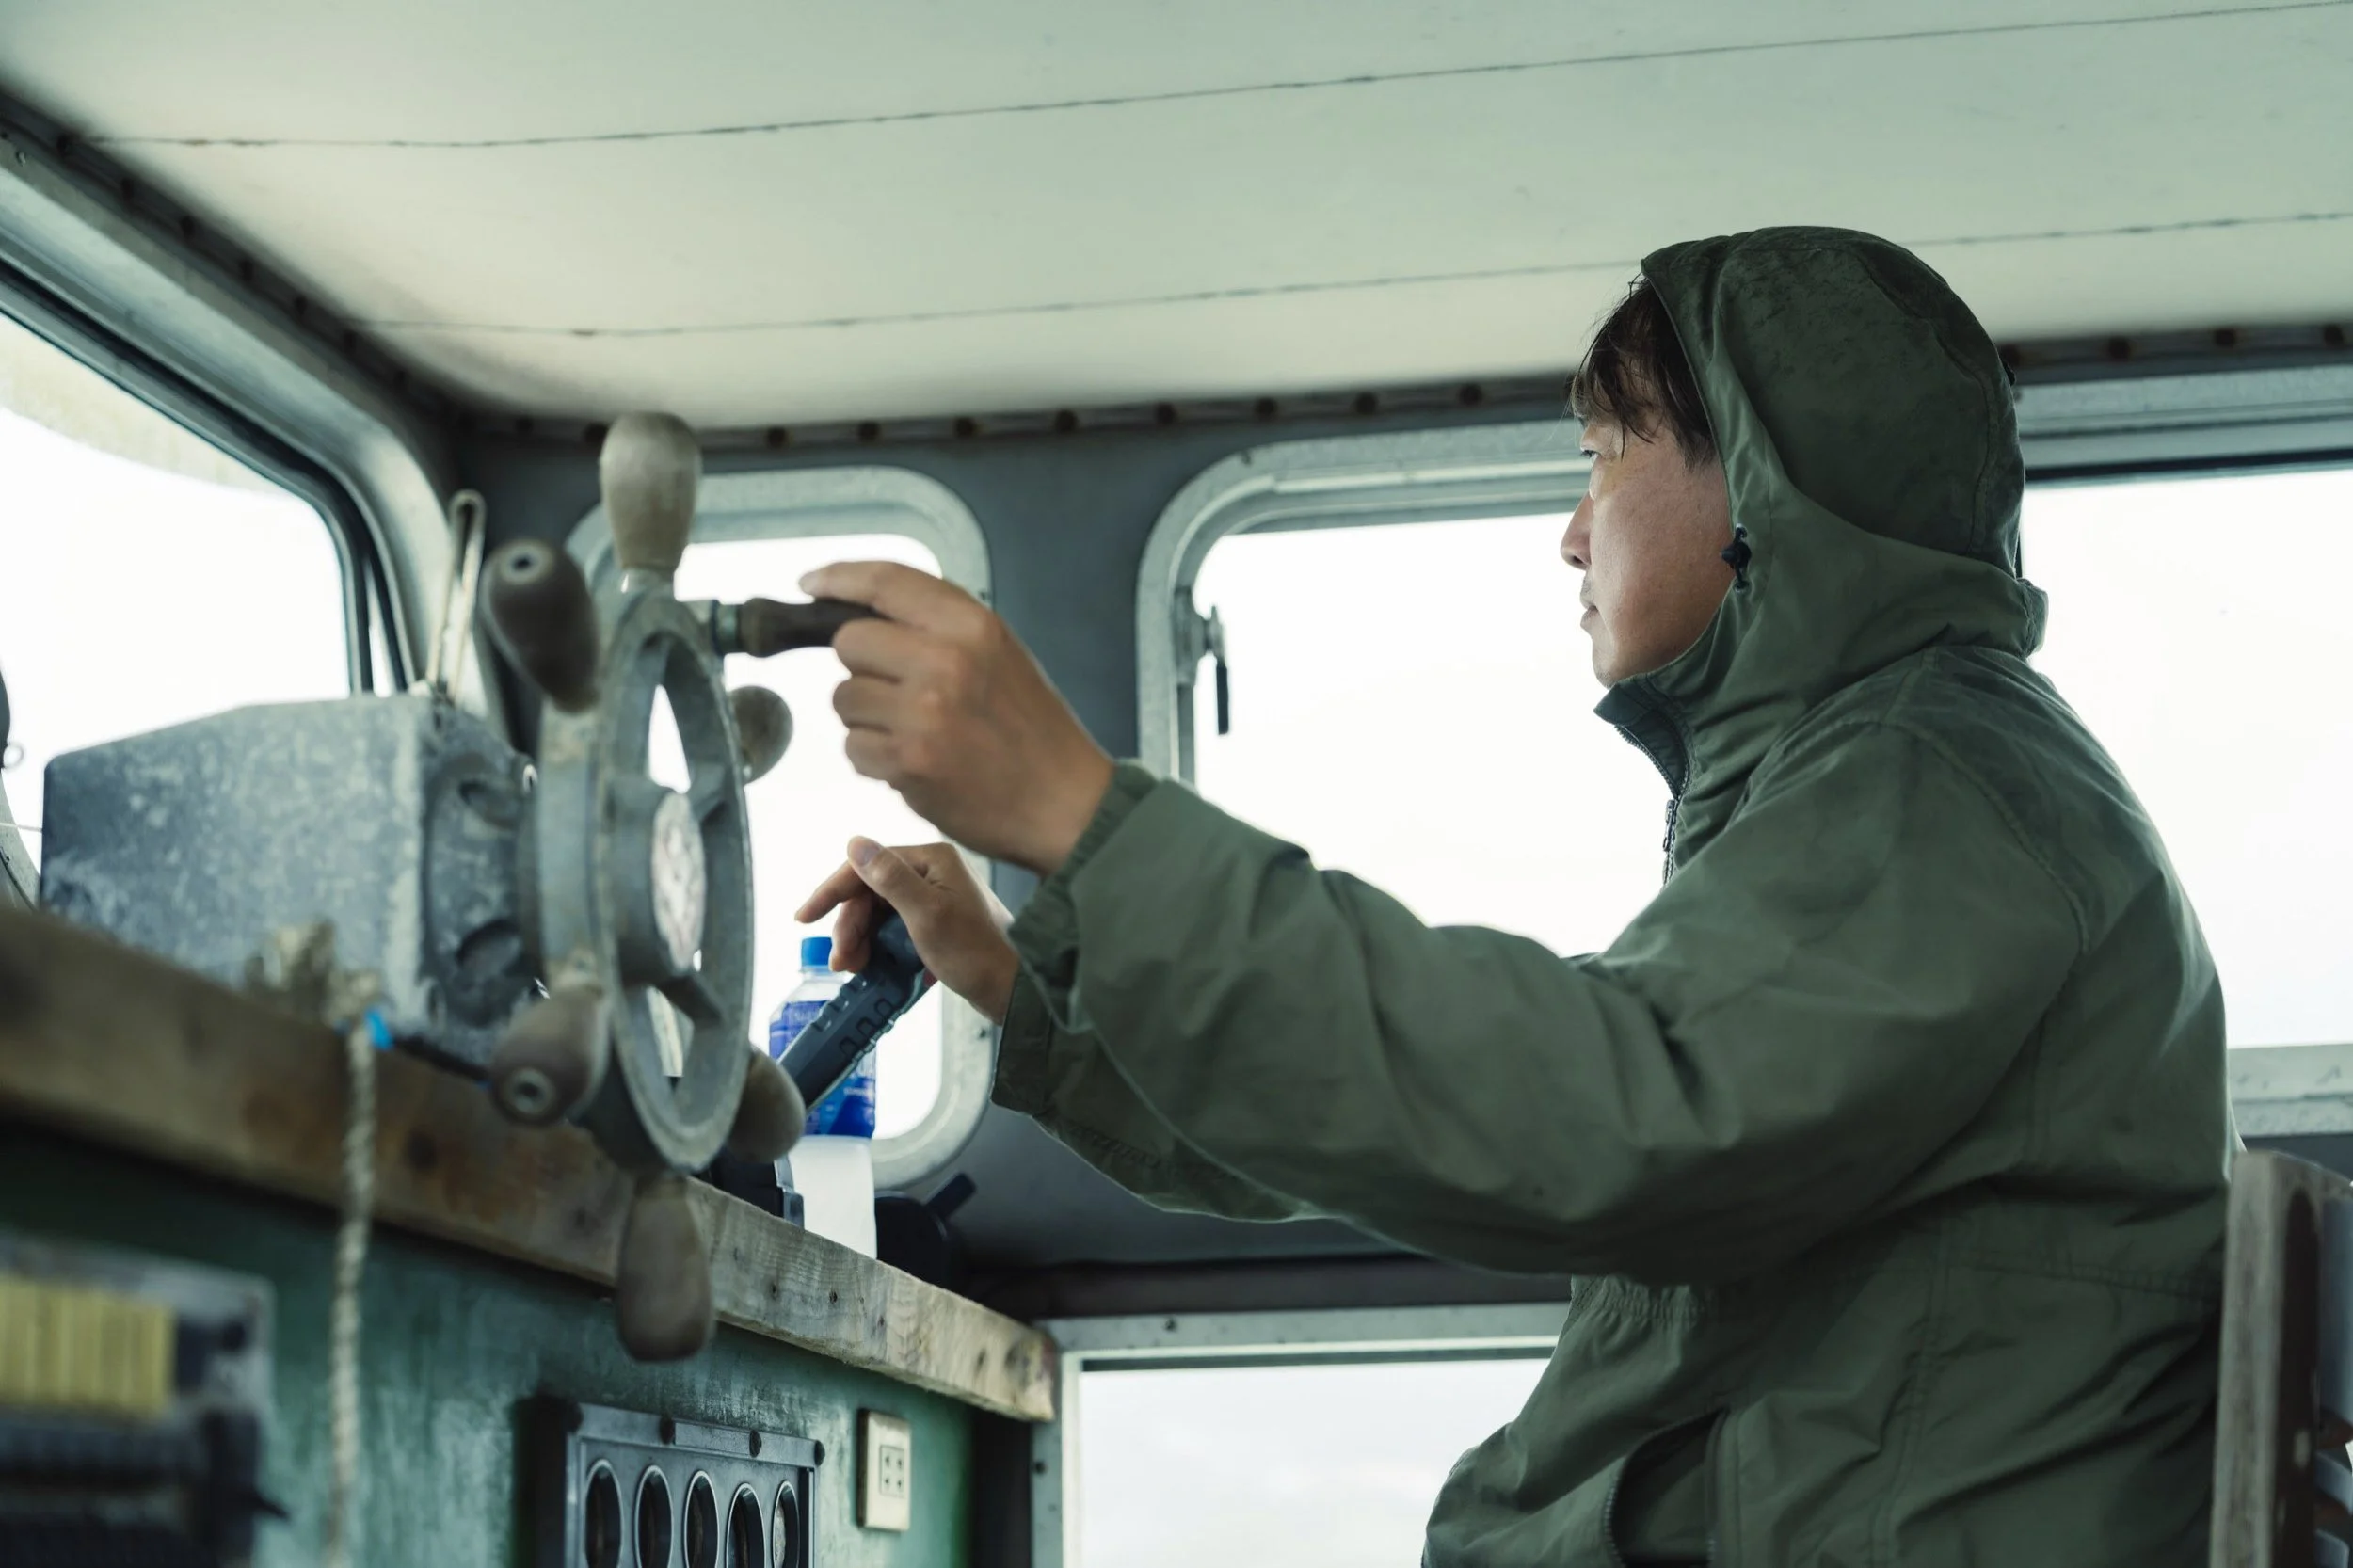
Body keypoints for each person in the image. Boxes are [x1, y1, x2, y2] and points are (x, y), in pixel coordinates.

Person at [794, 227, 2231, 1564]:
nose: (1572, 531)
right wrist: (1026, 986)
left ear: (1762, 485)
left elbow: (1604, 1123)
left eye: (1606, 455)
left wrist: (1080, 814)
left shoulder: (1933, 788)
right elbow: (1433, 1122)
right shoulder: (1879, 782)